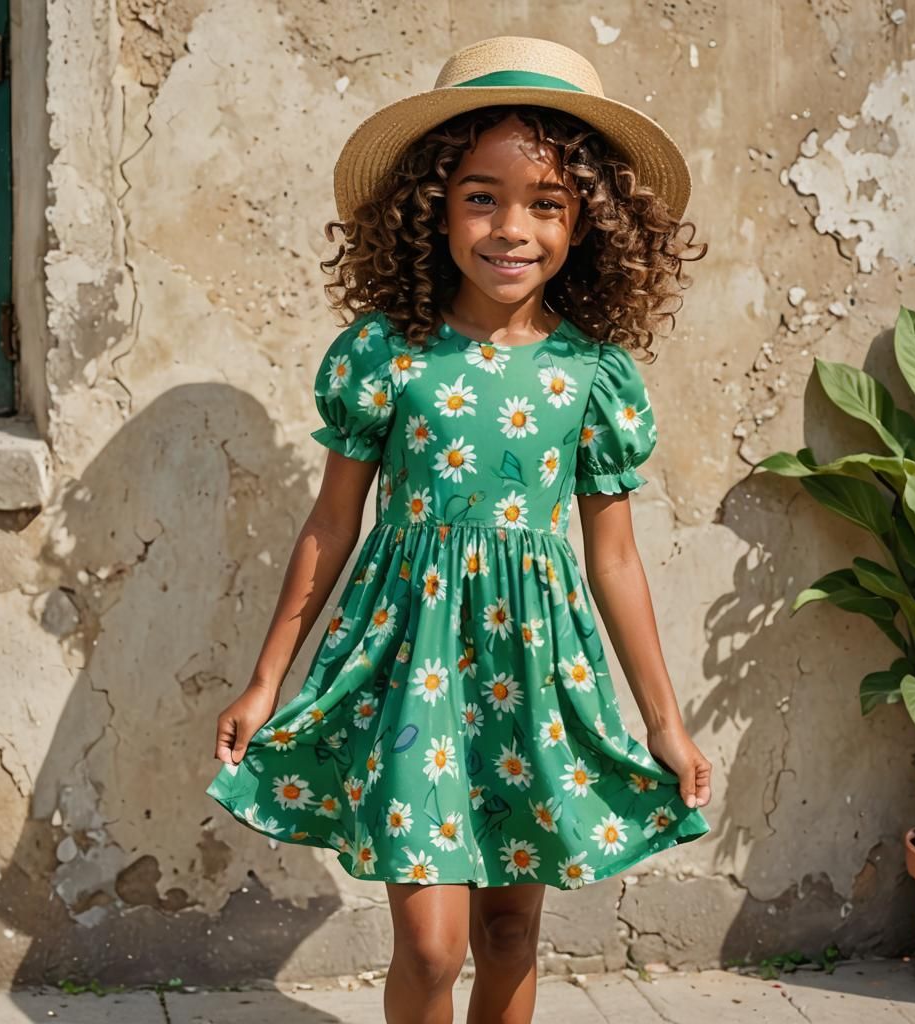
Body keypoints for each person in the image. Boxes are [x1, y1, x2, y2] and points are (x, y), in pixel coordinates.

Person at [208, 35, 713, 1024]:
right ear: (431, 206)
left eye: (546, 203)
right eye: (481, 196)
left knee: (510, 934)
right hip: (414, 666)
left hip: (531, 670)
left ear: (587, 222)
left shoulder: (592, 376)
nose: (510, 228)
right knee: (433, 947)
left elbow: (612, 557)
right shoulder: (386, 355)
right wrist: (268, 676)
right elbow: (330, 524)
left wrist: (663, 720)